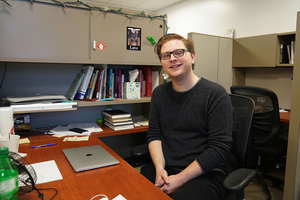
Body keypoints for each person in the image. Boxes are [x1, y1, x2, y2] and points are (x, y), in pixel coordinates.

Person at [140, 33, 233, 200]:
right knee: (130, 190)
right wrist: (160, 169)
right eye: (166, 55)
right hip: (166, 169)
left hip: (205, 174)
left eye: (179, 52)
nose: (172, 59)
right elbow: (154, 134)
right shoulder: (159, 93)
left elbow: (219, 147)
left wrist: (179, 180)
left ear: (193, 57)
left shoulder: (215, 94)